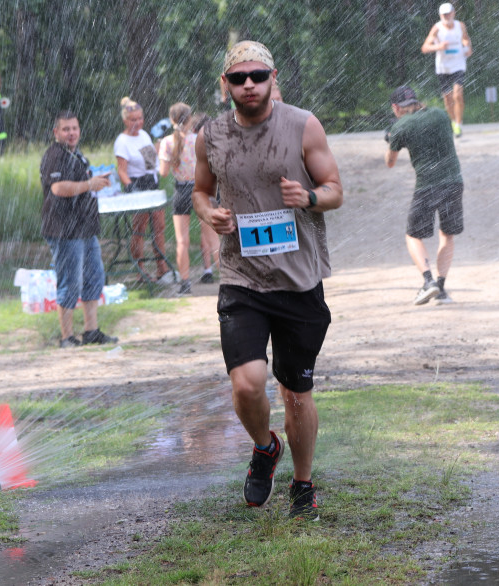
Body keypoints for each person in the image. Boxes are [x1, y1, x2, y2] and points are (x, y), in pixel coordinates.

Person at [193, 40, 344, 520]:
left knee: (296, 393)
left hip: (298, 280)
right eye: (239, 78)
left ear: (273, 77)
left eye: (258, 76)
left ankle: (303, 485)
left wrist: (310, 197)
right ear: (225, 85)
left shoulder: (303, 124)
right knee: (246, 382)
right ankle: (264, 448)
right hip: (242, 277)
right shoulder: (210, 136)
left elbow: (335, 190)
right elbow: (199, 191)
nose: (249, 85)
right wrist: (210, 214)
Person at [40, 111, 119, 348]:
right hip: (64, 230)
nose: (71, 133)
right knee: (70, 281)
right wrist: (88, 184)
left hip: (84, 228)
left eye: (74, 128)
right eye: (66, 129)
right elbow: (57, 188)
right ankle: (66, 337)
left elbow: (82, 184)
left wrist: (97, 180)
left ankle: (91, 331)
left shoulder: (78, 155)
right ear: (56, 132)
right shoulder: (54, 155)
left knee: (95, 276)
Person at [384, 85, 464, 306]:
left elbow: (389, 163)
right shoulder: (440, 114)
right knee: (447, 235)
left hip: (427, 186)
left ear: (396, 107)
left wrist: (391, 138)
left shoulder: (401, 126)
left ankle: (428, 281)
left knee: (413, 235)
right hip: (454, 182)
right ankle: (441, 288)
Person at [158, 105, 219, 295]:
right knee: (213, 237)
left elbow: (164, 172)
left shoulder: (167, 142)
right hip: (202, 189)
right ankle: (227, 278)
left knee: (181, 241)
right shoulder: (199, 139)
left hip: (182, 191)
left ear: (172, 120)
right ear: (190, 118)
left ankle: (185, 283)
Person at [114, 97, 174, 284]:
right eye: (133, 119)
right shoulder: (122, 141)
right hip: (136, 186)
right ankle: (140, 271)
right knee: (139, 230)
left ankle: (162, 269)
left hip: (151, 184)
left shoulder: (144, 135)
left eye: (140, 118)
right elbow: (121, 170)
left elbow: (151, 162)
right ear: (125, 120)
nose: (137, 122)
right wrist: (131, 188)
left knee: (159, 229)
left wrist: (160, 144)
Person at [421, 2, 472, 137]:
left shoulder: (460, 26)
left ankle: (459, 124)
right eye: (444, 14)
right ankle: (453, 121)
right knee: (448, 98)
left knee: (457, 95)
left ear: (453, 13)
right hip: (443, 68)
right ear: (440, 15)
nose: (447, 16)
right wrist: (438, 47)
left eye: (449, 13)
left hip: (458, 65)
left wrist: (467, 48)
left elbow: (466, 40)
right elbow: (425, 47)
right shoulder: (437, 28)